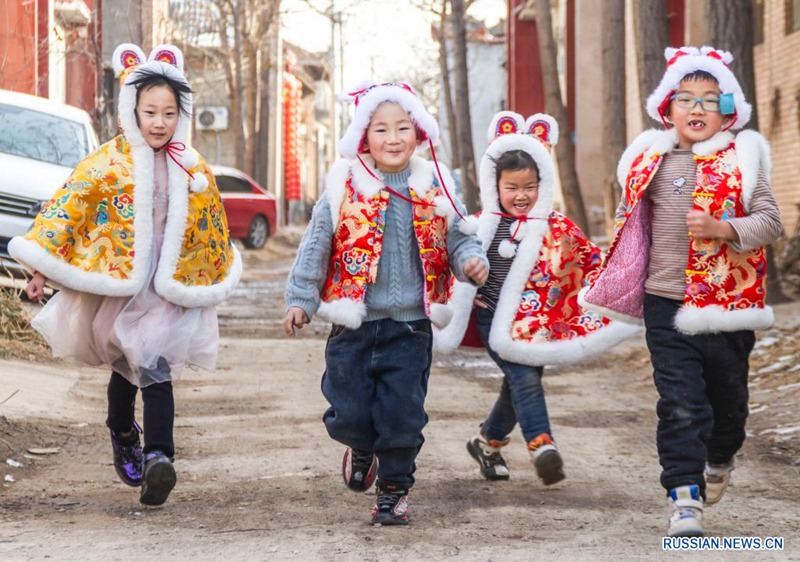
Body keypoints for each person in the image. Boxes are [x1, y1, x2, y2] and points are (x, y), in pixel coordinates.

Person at [9, 44, 242, 507]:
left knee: (155, 370)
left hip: (165, 292)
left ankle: (159, 458)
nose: (159, 122)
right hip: (119, 289)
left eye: (170, 113)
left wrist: (211, 278)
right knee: (125, 372)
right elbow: (68, 209)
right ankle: (121, 430)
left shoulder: (193, 168)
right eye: (150, 112)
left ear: (183, 114)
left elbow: (211, 228)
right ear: (131, 111)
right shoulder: (108, 163)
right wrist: (39, 267)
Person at [580, 46, 782, 537]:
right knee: (680, 401)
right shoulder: (650, 161)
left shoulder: (743, 159)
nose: (696, 108)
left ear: (728, 111)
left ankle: (720, 458)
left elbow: (771, 221)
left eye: (710, 99)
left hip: (726, 307)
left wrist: (723, 226)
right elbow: (632, 224)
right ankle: (684, 496)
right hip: (664, 301)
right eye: (685, 98)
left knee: (728, 408)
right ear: (666, 108)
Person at [283, 81, 488, 526]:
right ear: (363, 136)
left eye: (402, 128)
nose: (393, 138)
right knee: (350, 411)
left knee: (402, 415)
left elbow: (459, 235)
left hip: (410, 327)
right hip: (353, 325)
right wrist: (301, 299)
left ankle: (394, 492)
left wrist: (471, 260)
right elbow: (317, 243)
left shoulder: (434, 183)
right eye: (381, 129)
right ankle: (360, 445)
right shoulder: (346, 184)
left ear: (419, 133)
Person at [434, 111, 637, 486]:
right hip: (491, 317)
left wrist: (627, 279)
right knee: (523, 376)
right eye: (512, 187)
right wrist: (463, 291)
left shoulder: (555, 227)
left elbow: (590, 261)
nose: (521, 195)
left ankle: (487, 442)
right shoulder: (480, 225)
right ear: (495, 185)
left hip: (535, 322)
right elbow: (449, 262)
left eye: (530, 186)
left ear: (543, 184)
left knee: (519, 380)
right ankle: (541, 444)